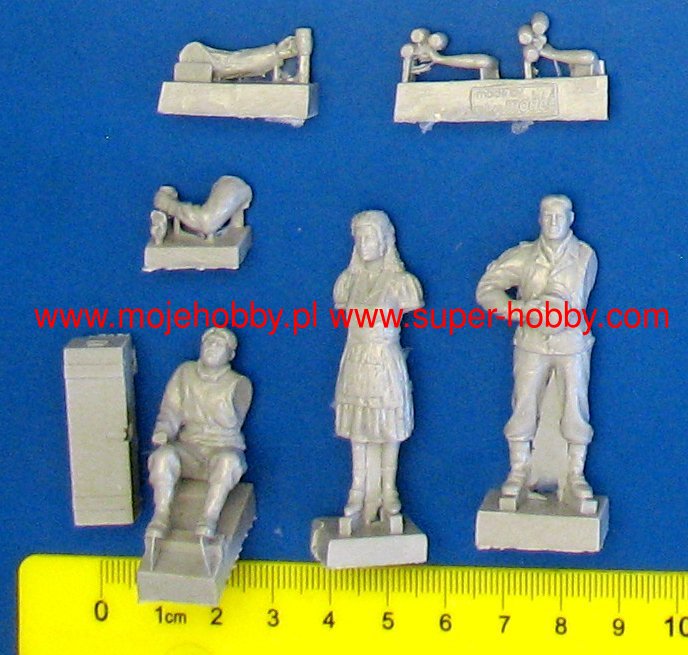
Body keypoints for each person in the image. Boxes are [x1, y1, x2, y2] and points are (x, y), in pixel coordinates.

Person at [476, 195, 598, 503]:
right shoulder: (524, 256)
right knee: (524, 403)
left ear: (571, 219)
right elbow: (487, 289)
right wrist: (519, 310)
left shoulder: (584, 256)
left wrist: (553, 313)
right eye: (548, 215)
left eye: (559, 215)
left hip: (571, 342)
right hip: (532, 341)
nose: (553, 222)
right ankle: (519, 470)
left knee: (575, 404)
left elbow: (574, 301)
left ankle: (575, 473)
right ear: (539, 219)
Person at [333, 210, 424, 524]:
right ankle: (357, 488)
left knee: (389, 425)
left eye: (370, 237)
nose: (364, 243)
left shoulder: (401, 284)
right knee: (358, 426)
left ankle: (388, 489)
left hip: (384, 358)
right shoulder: (348, 282)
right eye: (359, 238)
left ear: (385, 242)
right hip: (356, 358)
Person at [146, 328, 252, 539]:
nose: (212, 347)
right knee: (162, 457)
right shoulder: (185, 373)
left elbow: (234, 422)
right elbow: (171, 410)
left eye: (219, 344)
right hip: (188, 448)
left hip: (220, 449)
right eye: (208, 342)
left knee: (228, 461)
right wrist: (163, 431)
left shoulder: (238, 384)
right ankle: (161, 515)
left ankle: (209, 518)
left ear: (230, 354)